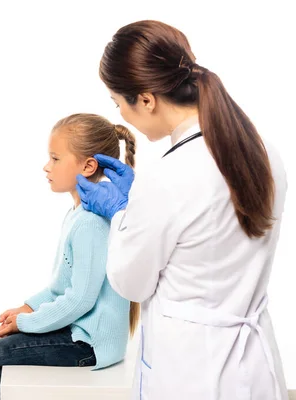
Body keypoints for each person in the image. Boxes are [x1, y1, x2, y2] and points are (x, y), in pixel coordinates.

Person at [76, 20, 289, 399]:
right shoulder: (263, 151)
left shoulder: (167, 177)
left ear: (145, 99)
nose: (121, 115)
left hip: (191, 371)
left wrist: (122, 213)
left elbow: (132, 282)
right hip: (255, 367)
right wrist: (139, 207)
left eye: (118, 103)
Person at [0, 114, 140, 400]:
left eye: (55, 158)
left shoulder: (90, 222)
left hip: (88, 344)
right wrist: (26, 308)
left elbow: (80, 299)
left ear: (88, 166)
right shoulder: (77, 215)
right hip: (76, 331)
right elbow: (61, 287)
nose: (47, 166)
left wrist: (24, 324)